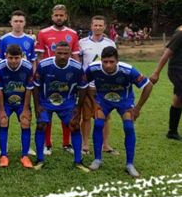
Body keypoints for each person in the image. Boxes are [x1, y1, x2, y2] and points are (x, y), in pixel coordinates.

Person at [86, 46, 153, 177]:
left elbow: (148, 85)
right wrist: (94, 104)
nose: (108, 65)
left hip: (124, 100)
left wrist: (138, 108)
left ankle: (129, 164)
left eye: (111, 61)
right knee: (99, 124)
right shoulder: (93, 68)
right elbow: (83, 84)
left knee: (128, 127)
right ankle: (97, 159)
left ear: (117, 61)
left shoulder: (128, 70)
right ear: (101, 61)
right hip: (103, 100)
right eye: (105, 62)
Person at [32, 41, 89, 172]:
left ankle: (78, 161)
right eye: (59, 53)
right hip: (46, 101)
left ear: (70, 53)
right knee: (41, 125)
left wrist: (78, 108)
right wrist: (37, 105)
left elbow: (83, 87)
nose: (62, 56)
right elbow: (36, 86)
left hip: (67, 102)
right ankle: (40, 159)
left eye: (66, 53)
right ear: (54, 52)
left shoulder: (77, 67)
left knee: (74, 126)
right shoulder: (44, 65)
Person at [35, 4, 80, 155]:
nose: (59, 18)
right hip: (47, 78)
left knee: (66, 110)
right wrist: (37, 75)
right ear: (52, 16)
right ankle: (47, 144)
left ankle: (66, 143)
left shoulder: (73, 34)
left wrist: (78, 75)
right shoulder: (43, 33)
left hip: (67, 78)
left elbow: (75, 56)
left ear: (66, 16)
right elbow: (39, 56)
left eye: (62, 15)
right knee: (47, 112)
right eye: (56, 15)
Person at [78, 16, 119, 156]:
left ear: (105, 26)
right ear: (91, 26)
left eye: (100, 25)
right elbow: (79, 63)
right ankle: (85, 144)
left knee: (106, 116)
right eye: (95, 25)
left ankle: (105, 144)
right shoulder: (81, 43)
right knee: (86, 117)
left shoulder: (110, 43)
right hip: (88, 86)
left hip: (104, 86)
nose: (97, 28)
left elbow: (114, 64)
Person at [0, 44, 34, 169]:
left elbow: (28, 89)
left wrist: (26, 109)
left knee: (25, 122)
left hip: (21, 102)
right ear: (6, 56)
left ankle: (25, 156)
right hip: (5, 101)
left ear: (21, 57)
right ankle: (4, 156)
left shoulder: (28, 67)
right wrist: (1, 109)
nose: (14, 61)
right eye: (11, 58)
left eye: (17, 58)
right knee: (3, 121)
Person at [150, 25, 182, 140]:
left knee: (179, 100)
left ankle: (172, 132)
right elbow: (166, 54)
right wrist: (156, 73)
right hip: (177, 70)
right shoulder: (180, 34)